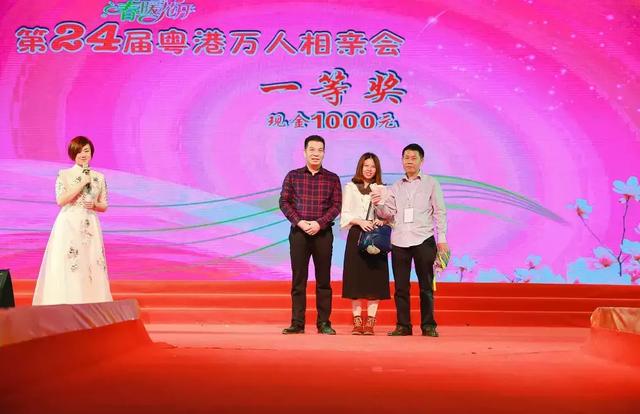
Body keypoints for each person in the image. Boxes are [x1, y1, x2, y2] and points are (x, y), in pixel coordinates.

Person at [371, 143, 449, 337]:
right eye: (406, 157)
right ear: (402, 160)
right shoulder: (395, 186)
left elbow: (440, 211)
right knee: (400, 287)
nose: (409, 161)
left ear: (421, 161)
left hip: (424, 238)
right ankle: (403, 325)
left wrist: (442, 239)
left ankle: (428, 325)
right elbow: (388, 214)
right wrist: (378, 204)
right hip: (399, 240)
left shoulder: (431, 183)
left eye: (414, 158)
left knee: (426, 286)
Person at [32, 136, 112, 305]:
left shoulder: (99, 177)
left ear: (91, 153)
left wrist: (95, 205)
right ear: (73, 153)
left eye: (86, 150)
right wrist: (81, 182)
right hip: (69, 222)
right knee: (71, 261)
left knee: (91, 261)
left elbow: (104, 205)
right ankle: (68, 301)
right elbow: (61, 200)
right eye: (79, 151)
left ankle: (91, 303)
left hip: (90, 223)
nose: (83, 154)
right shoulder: (64, 174)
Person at [279, 135, 342, 334]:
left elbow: (337, 205)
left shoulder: (332, 178)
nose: (316, 154)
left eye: (320, 150)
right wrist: (299, 222)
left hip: (323, 234)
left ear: (324, 153)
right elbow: (284, 202)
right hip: (299, 233)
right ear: (305, 152)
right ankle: (297, 323)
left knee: (323, 281)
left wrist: (319, 224)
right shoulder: (293, 176)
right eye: (312, 150)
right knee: (299, 280)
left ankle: (324, 323)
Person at [340, 153, 391, 335]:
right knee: (355, 279)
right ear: (360, 167)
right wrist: (359, 221)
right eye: (366, 166)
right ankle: (357, 321)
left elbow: (389, 214)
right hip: (357, 234)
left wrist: (382, 220)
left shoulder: (383, 189)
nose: (369, 169)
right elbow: (345, 213)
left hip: (376, 236)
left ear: (377, 169)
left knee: (374, 279)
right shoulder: (351, 187)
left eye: (373, 166)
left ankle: (370, 322)